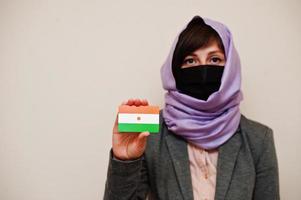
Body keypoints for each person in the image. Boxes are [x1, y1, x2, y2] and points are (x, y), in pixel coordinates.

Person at [103, 16, 280, 200]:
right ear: (175, 70)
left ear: (230, 69)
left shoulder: (259, 139)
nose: (203, 69)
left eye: (214, 59)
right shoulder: (148, 131)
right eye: (190, 61)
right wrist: (125, 160)